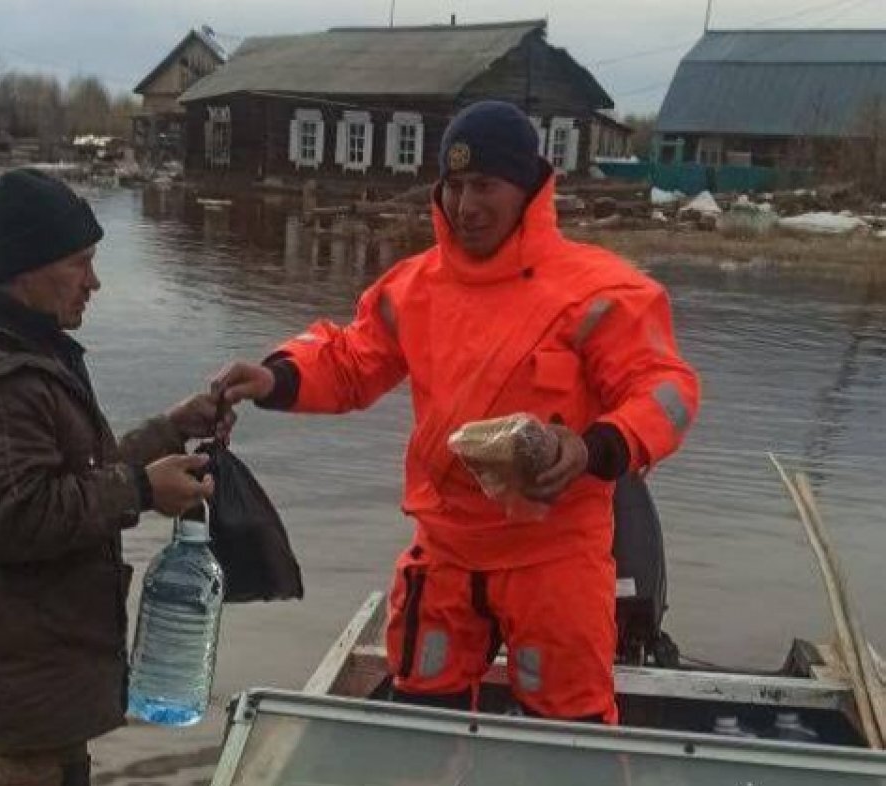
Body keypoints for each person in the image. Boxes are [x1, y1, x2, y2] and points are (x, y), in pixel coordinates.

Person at [215, 101, 700, 724]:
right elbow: (350, 359)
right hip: (443, 551)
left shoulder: (602, 291)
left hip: (554, 556)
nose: (466, 205)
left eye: (486, 186)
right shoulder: (414, 287)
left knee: (571, 735)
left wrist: (593, 447)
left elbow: (666, 390)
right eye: (455, 185)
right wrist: (274, 376)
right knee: (420, 723)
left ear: (527, 188)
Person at [0, 168, 232, 786]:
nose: (94, 282)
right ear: (27, 266)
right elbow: (18, 520)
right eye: (80, 263)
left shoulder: (28, 351)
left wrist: (171, 429)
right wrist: (141, 490)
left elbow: (81, 477)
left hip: (38, 672)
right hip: (18, 680)